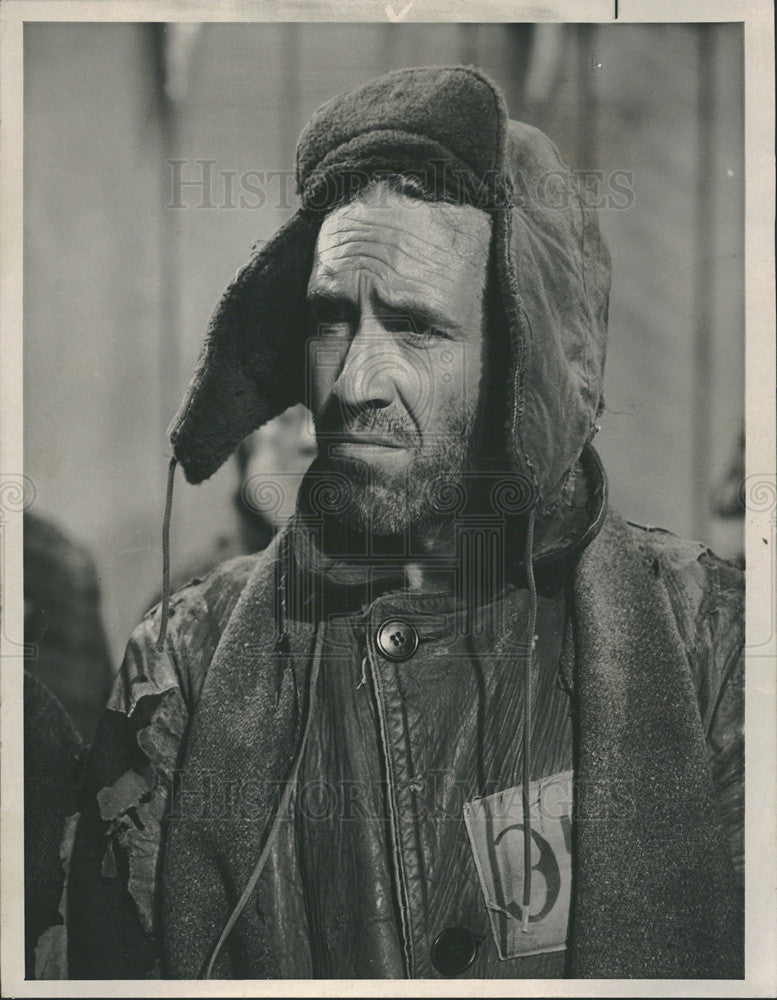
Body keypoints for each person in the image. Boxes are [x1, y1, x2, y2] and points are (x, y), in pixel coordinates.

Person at [66, 65, 744, 980]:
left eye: (417, 328)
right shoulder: (182, 659)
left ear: (521, 362)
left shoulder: (712, 645)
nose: (350, 385)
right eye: (329, 319)